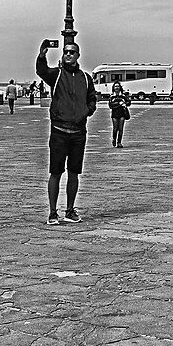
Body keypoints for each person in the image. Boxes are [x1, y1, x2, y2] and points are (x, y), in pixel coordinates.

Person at [37, 37, 99, 223]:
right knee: (55, 172)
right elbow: (42, 71)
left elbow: (92, 99)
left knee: (74, 172)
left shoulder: (86, 78)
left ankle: (70, 210)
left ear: (78, 55)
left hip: (79, 133)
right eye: (66, 52)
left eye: (72, 52)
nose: (68, 55)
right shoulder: (56, 75)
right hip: (59, 132)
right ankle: (53, 212)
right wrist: (42, 55)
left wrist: (86, 112)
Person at [109, 83, 131, 149]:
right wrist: (119, 103)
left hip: (122, 113)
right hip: (115, 114)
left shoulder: (123, 96)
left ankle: (119, 142)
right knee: (115, 128)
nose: (117, 87)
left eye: (118, 86)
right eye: (115, 86)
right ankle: (114, 139)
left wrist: (126, 102)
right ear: (113, 88)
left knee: (121, 128)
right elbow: (110, 105)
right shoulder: (112, 96)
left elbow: (128, 103)